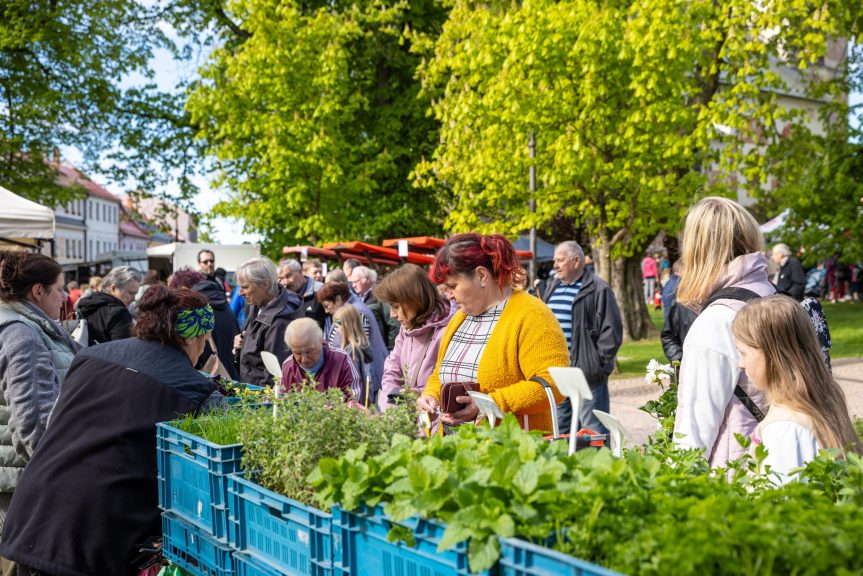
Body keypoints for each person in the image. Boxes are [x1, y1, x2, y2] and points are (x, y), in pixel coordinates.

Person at [0, 286, 224, 576]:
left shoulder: (93, 355)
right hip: (95, 532)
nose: (204, 350)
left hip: (33, 511)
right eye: (205, 340)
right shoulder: (194, 388)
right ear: (191, 336)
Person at [417, 233, 569, 433]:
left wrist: (490, 403)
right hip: (458, 449)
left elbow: (554, 385)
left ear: (481, 275)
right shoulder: (459, 318)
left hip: (512, 452)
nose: (448, 295)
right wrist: (431, 394)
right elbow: (440, 372)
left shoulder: (533, 315)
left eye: (453, 286)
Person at [673, 196, 776, 467]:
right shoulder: (774, 297)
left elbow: (693, 437)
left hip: (737, 479)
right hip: (779, 465)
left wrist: (672, 492)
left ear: (697, 251)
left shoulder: (718, 320)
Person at [732, 295, 862, 484]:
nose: (740, 364)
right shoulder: (819, 402)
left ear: (772, 355)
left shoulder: (785, 428)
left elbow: (784, 504)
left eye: (743, 353)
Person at [0, 252, 78, 563]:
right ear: (37, 291)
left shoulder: (25, 326)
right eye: (60, 289)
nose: (64, 297)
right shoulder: (21, 335)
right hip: (20, 488)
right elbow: (33, 422)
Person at [542, 241, 623, 434]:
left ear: (576, 261)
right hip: (558, 375)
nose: (555, 265)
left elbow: (611, 331)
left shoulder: (598, 288)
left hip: (586, 374)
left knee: (593, 431)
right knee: (560, 432)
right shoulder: (552, 286)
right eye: (555, 260)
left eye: (560, 260)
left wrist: (597, 365)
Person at [373, 263, 455, 411]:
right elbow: (392, 367)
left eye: (396, 306)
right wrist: (394, 400)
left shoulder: (448, 330)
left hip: (434, 424)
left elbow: (450, 381)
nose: (392, 314)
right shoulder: (406, 328)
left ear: (414, 299)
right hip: (408, 421)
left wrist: (421, 395)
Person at [233, 257, 304, 387]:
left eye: (245, 287)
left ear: (265, 284)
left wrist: (258, 402)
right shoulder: (260, 302)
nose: (240, 293)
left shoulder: (280, 320)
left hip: (262, 398)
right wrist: (242, 342)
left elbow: (274, 377)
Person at [316, 282, 387, 401]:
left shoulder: (357, 312)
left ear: (338, 299)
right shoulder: (349, 310)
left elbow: (361, 342)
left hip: (366, 384)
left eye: (326, 305)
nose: (326, 311)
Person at [169, 268, 240, 379]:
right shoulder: (224, 304)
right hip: (232, 375)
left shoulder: (195, 313)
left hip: (208, 379)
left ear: (185, 289)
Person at [280, 318, 358, 400]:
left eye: (309, 352)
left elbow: (353, 397)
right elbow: (279, 398)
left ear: (320, 341)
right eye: (297, 353)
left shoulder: (342, 360)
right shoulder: (287, 367)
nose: (304, 360)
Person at [75, 266, 141, 346]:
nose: (134, 298)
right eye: (131, 293)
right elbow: (123, 352)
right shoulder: (119, 314)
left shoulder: (85, 305)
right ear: (113, 288)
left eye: (135, 294)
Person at [349, 265, 400, 350]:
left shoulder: (379, 295)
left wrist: (391, 349)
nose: (353, 285)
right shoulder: (360, 298)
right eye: (352, 282)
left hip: (383, 350)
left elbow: (394, 324)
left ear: (367, 279)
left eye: (356, 281)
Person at [332, 305, 375, 405]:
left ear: (348, 325)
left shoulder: (352, 350)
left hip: (357, 401)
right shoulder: (360, 345)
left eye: (338, 324)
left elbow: (355, 380)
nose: (336, 329)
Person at [660, 260, 697, 364]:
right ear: (681, 270)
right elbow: (668, 336)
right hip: (676, 322)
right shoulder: (677, 286)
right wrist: (679, 359)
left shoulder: (671, 283)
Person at [278, 259, 327, 330]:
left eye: (288, 276)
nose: (285, 282)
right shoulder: (281, 295)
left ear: (300, 272)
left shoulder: (321, 290)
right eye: (281, 278)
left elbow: (339, 318)